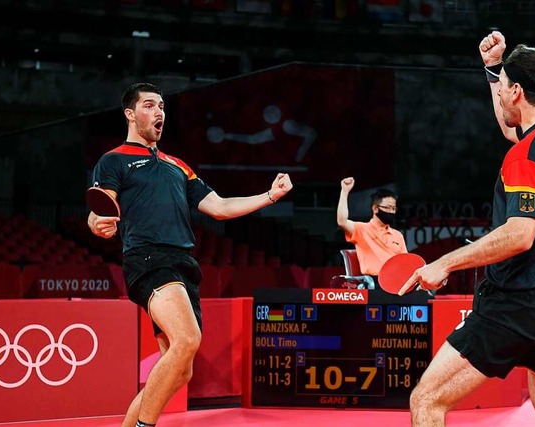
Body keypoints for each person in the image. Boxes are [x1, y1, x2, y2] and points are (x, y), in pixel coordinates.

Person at [398, 31, 535, 426]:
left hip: (516, 303)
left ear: (517, 91)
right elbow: (509, 127)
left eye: (502, 87)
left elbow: (520, 234)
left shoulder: (526, 156)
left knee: (426, 402)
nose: (498, 94)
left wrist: (445, 263)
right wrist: (492, 68)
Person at [87, 82, 293, 427]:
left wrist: (269, 196)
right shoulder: (114, 160)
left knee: (180, 369)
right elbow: (100, 208)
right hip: (148, 258)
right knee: (187, 339)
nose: (159, 113)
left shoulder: (178, 166)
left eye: (162, 107)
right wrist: (97, 224)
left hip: (184, 265)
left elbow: (220, 206)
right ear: (130, 114)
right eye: (150, 106)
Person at [336, 177, 407, 287]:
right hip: (374, 283)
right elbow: (342, 221)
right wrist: (345, 191)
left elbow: (405, 262)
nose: (391, 212)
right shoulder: (362, 229)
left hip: (396, 282)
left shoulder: (397, 235)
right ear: (375, 209)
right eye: (388, 208)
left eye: (394, 208)